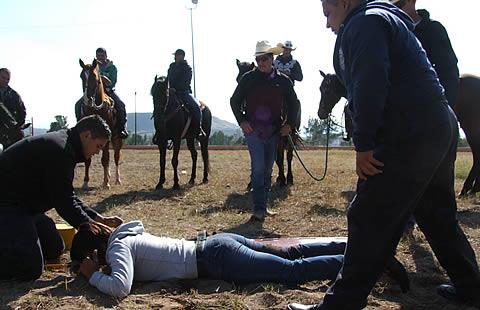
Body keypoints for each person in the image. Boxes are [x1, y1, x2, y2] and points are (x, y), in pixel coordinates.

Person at [288, 1, 480, 309]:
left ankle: (341, 304)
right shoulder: (386, 19)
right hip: (437, 126)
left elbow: (370, 82)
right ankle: (471, 287)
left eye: (328, 13)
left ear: (345, 2)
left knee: (367, 215)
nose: (327, 24)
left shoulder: (365, 23)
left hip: (409, 133)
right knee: (435, 213)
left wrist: (363, 144)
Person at [70, 220, 408, 298]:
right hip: (217, 245)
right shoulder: (126, 235)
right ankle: (363, 250)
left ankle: (374, 260)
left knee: (291, 272)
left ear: (92, 251)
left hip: (218, 259)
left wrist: (92, 275)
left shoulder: (117, 248)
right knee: (294, 253)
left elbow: (120, 288)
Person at [0, 115, 123, 281]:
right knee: (30, 268)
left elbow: (66, 193)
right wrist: (95, 229)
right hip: (8, 207)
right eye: (98, 146)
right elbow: (64, 202)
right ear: (86, 136)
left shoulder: (66, 146)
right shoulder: (60, 150)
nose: (97, 152)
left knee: (54, 247)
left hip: (26, 208)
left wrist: (98, 218)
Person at [230, 41, 299, 221]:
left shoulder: (283, 80)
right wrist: (242, 121)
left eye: (265, 59)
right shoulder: (248, 79)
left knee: (268, 169)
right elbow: (234, 101)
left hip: (274, 131)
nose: (262, 63)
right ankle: (258, 209)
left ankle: (264, 206)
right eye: (259, 59)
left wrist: (289, 124)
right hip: (253, 131)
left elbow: (294, 103)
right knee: (258, 168)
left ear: (272, 59)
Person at [392, 0, 459, 108]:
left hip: (431, 101)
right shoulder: (391, 33)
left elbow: (448, 71)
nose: (394, 10)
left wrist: (445, 107)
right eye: (390, 6)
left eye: (399, 5)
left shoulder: (434, 29)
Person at [75, 48, 128, 139]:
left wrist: (103, 78)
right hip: (94, 92)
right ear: (96, 56)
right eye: (98, 56)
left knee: (121, 105)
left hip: (108, 91)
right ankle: (78, 128)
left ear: (106, 56)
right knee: (78, 104)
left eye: (102, 56)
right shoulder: (93, 67)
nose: (100, 58)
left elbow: (112, 82)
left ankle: (122, 129)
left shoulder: (112, 67)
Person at [167, 48, 204, 137]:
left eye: (177, 55)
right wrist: (168, 88)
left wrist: (176, 88)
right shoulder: (171, 67)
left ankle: (198, 129)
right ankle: (160, 132)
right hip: (171, 93)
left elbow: (186, 82)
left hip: (183, 92)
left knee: (196, 107)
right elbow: (168, 79)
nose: (175, 57)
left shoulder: (187, 68)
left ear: (182, 56)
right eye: (175, 56)